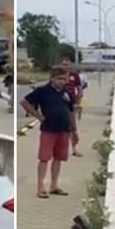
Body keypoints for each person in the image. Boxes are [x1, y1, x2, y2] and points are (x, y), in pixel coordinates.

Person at [21, 68, 80, 199]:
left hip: (64, 129)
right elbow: (24, 102)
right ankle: (41, 187)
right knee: (44, 158)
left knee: (59, 158)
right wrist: (38, 116)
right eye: (59, 79)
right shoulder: (42, 91)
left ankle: (54, 185)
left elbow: (71, 112)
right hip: (49, 129)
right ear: (52, 78)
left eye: (64, 79)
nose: (62, 82)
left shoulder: (67, 93)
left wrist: (74, 130)